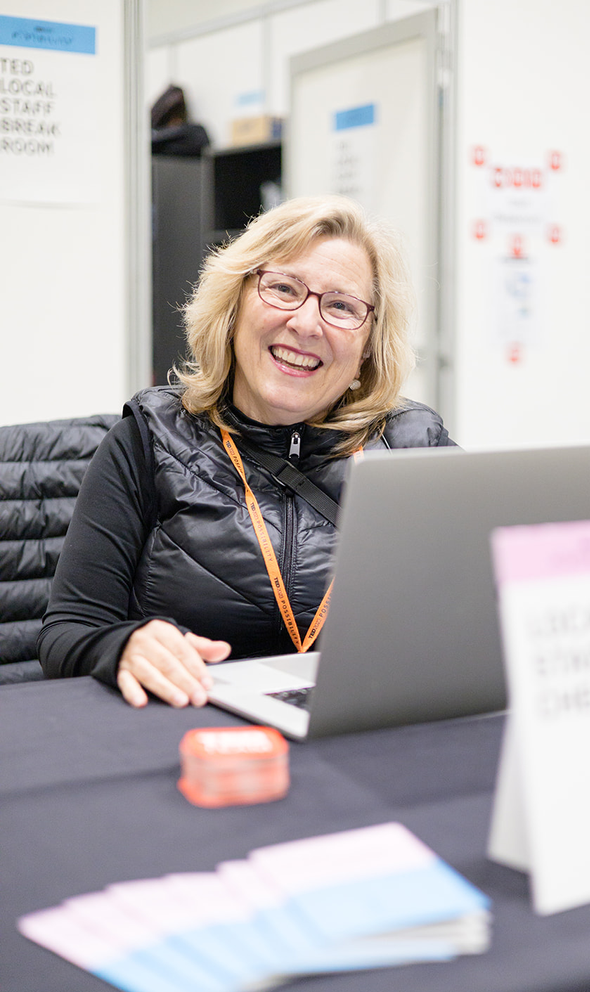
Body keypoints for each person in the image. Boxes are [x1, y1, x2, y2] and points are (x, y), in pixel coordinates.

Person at [38, 196, 454, 708]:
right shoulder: (149, 440)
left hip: (364, 737)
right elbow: (66, 635)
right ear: (235, 306)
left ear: (368, 342)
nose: (306, 323)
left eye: (342, 306)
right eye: (283, 288)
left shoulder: (416, 446)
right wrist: (123, 646)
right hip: (190, 735)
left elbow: (487, 611)